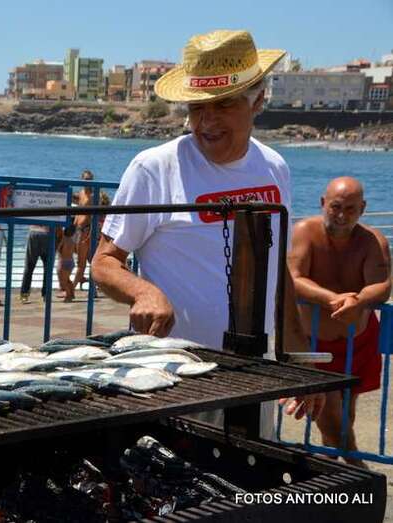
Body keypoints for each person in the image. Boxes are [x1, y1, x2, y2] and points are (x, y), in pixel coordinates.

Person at [90, 30, 325, 434]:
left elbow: (276, 275)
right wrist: (144, 292)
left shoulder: (275, 167)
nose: (206, 122)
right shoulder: (154, 167)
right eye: (197, 108)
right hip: (174, 377)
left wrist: (300, 357)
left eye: (223, 105)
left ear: (258, 101)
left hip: (254, 375)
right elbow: (104, 262)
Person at [288, 177, 391, 467]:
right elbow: (294, 278)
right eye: (335, 207)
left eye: (350, 208)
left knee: (345, 411)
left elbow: (382, 284)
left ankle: (331, 464)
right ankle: (362, 474)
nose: (342, 215)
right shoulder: (305, 232)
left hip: (359, 341)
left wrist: (357, 301)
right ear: (323, 203)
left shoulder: (373, 240)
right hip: (314, 344)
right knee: (331, 418)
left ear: (363, 208)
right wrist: (332, 299)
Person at [73, 169, 95, 290]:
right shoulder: (81, 193)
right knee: (85, 260)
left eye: (89, 180)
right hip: (77, 231)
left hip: (86, 232)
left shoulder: (93, 196)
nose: (87, 182)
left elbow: (94, 216)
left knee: (83, 263)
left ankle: (71, 290)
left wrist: (90, 231)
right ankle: (89, 284)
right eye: (85, 179)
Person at [19, 224, 50, 303]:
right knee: (47, 268)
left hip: (34, 232)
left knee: (29, 266)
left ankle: (24, 294)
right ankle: (46, 295)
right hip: (47, 233)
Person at [57, 224, 77, 302]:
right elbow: (75, 251)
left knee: (63, 281)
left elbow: (59, 248)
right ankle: (72, 293)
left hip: (63, 262)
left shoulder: (63, 239)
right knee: (67, 280)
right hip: (71, 262)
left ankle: (68, 296)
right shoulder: (72, 240)